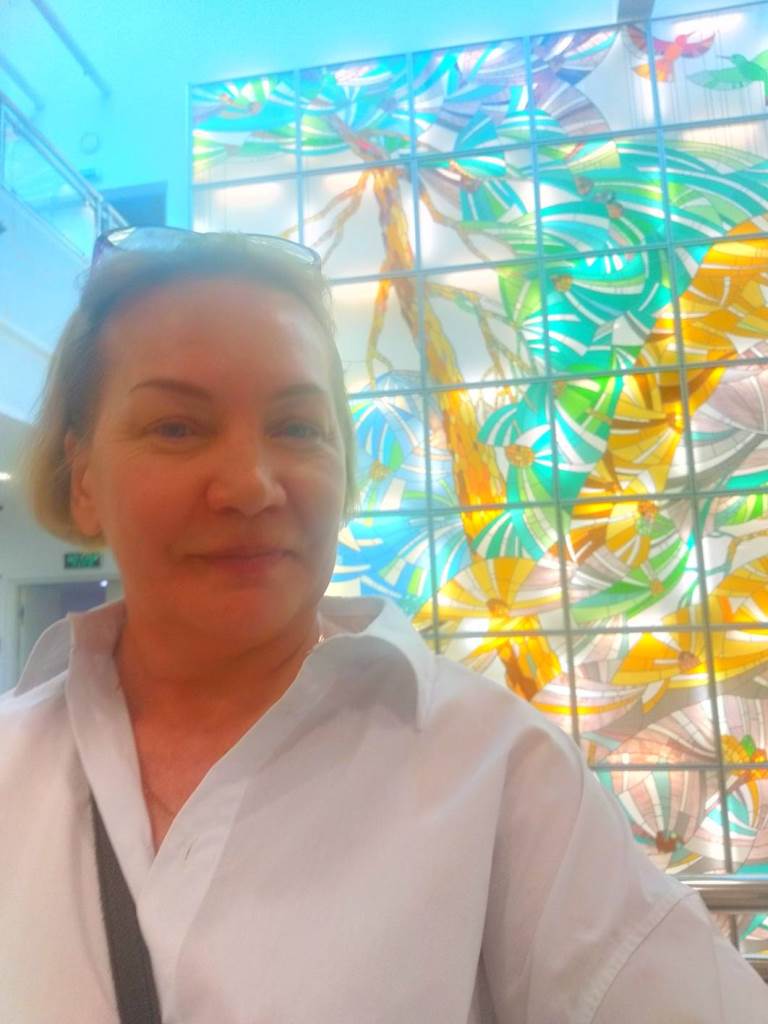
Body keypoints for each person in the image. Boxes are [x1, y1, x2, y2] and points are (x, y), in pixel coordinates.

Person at [1, 226, 765, 1023]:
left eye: (298, 427)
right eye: (177, 428)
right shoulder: (14, 767)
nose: (250, 486)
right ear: (82, 479)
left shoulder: (496, 772)